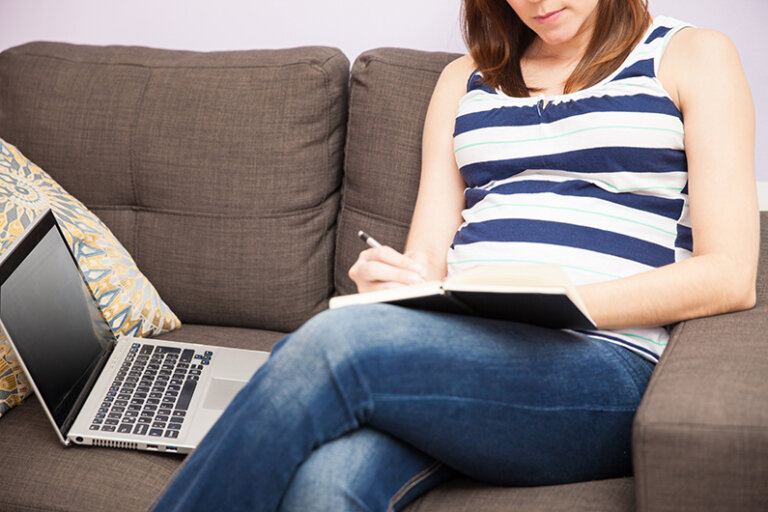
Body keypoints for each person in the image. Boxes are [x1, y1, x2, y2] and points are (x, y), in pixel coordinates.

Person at [153, 0, 758, 510]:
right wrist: (397, 282)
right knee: (326, 483)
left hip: (604, 362)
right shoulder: (463, 79)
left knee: (333, 344)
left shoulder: (692, 54)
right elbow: (429, 257)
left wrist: (559, 304)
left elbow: (730, 276)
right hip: (463, 350)